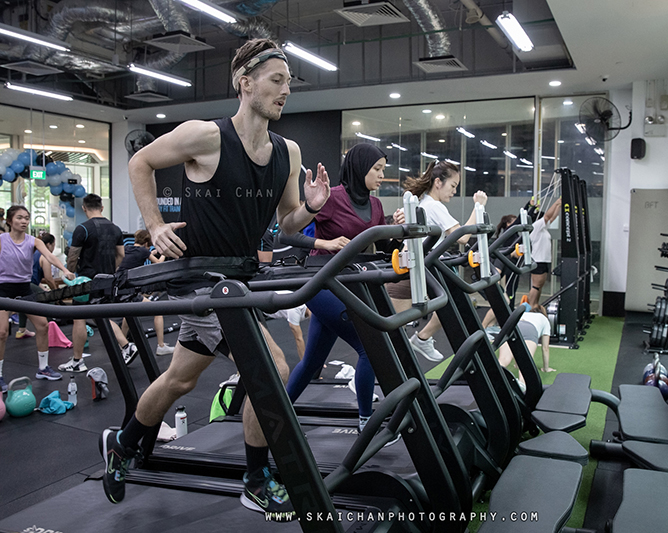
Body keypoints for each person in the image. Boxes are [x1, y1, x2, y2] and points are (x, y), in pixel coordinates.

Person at [103, 38, 330, 520]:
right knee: (271, 368)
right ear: (245, 84)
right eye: (277, 80)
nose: (286, 90)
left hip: (237, 285)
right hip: (204, 286)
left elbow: (287, 223)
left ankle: (123, 445)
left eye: (289, 82)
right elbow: (139, 162)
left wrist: (308, 206)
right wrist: (156, 225)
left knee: (180, 380)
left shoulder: (287, 152)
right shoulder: (206, 136)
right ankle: (254, 477)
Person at [286, 143, 403, 435]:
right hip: (322, 284)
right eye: (376, 169)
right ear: (360, 168)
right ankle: (366, 423)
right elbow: (286, 235)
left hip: (349, 285)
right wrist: (323, 243)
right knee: (369, 347)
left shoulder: (375, 206)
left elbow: (386, 249)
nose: (381, 175)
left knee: (313, 361)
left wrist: (398, 229)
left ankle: (279, 414)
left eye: (383, 170)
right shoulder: (331, 197)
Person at [388, 160, 487, 362]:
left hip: (421, 268)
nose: (454, 191)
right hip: (409, 271)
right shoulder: (433, 206)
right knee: (389, 337)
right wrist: (478, 207)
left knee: (453, 301)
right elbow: (462, 237)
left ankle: (423, 338)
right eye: (453, 186)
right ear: (438, 183)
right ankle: (359, 377)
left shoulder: (426, 204)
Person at [0, 206, 74, 392]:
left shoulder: (33, 241)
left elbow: (49, 256)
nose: (24, 221)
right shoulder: (1, 240)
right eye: (19, 218)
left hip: (24, 288)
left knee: (42, 325)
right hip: (3, 289)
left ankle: (43, 369)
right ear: (9, 221)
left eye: (26, 218)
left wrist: (65, 270)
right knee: (1, 333)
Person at [61, 194, 133, 373]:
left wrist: (71, 274)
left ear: (84, 208)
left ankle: (77, 361)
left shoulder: (83, 229)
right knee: (102, 316)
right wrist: (109, 272)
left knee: (79, 318)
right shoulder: (115, 228)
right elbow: (121, 255)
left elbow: (73, 256)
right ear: (101, 208)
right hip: (106, 280)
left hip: (86, 281)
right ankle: (126, 346)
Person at [114, 229, 174, 357]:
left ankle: (121, 346)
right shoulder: (144, 251)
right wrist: (163, 253)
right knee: (158, 311)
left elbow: (136, 257)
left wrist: (150, 253)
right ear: (147, 242)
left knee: (128, 315)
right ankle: (161, 346)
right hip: (127, 289)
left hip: (119, 287)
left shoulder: (128, 248)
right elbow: (158, 263)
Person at [496, 303, 554, 393]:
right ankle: (522, 386)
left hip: (512, 326)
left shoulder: (525, 314)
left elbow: (516, 342)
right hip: (530, 330)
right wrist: (545, 368)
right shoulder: (545, 320)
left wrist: (516, 362)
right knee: (524, 363)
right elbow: (545, 347)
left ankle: (490, 381)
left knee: (503, 360)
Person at [15, 232, 58, 339]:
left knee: (23, 301)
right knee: (50, 299)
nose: (53, 248)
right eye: (54, 245)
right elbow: (49, 279)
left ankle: (21, 330)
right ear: (48, 245)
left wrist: (43, 288)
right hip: (27, 284)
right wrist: (56, 292)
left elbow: (33, 277)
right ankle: (52, 330)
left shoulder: (32, 252)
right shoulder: (44, 256)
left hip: (22, 283)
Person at [524, 197, 562, 307]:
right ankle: (532, 306)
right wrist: (556, 202)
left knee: (539, 286)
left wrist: (559, 205)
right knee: (536, 286)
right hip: (537, 260)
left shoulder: (543, 228)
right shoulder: (535, 227)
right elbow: (548, 216)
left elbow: (553, 217)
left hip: (544, 260)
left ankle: (536, 305)